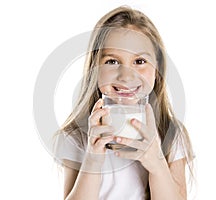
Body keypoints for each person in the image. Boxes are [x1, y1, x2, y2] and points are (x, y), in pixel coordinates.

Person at [53, 6, 194, 200]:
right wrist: (92, 161)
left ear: (157, 68)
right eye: (112, 61)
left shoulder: (170, 134)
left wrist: (157, 163)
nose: (126, 76)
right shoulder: (76, 137)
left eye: (139, 61)